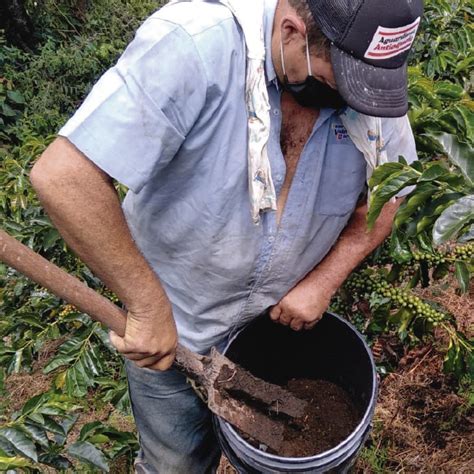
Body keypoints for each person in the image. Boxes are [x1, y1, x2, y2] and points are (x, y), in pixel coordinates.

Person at [30, 0, 424, 472]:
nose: (350, 99)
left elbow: (390, 193)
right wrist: (147, 305)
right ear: (292, 30)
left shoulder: (362, 81)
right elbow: (63, 177)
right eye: (331, 80)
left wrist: (324, 281)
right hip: (178, 332)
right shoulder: (196, 46)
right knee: (174, 462)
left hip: (275, 335)